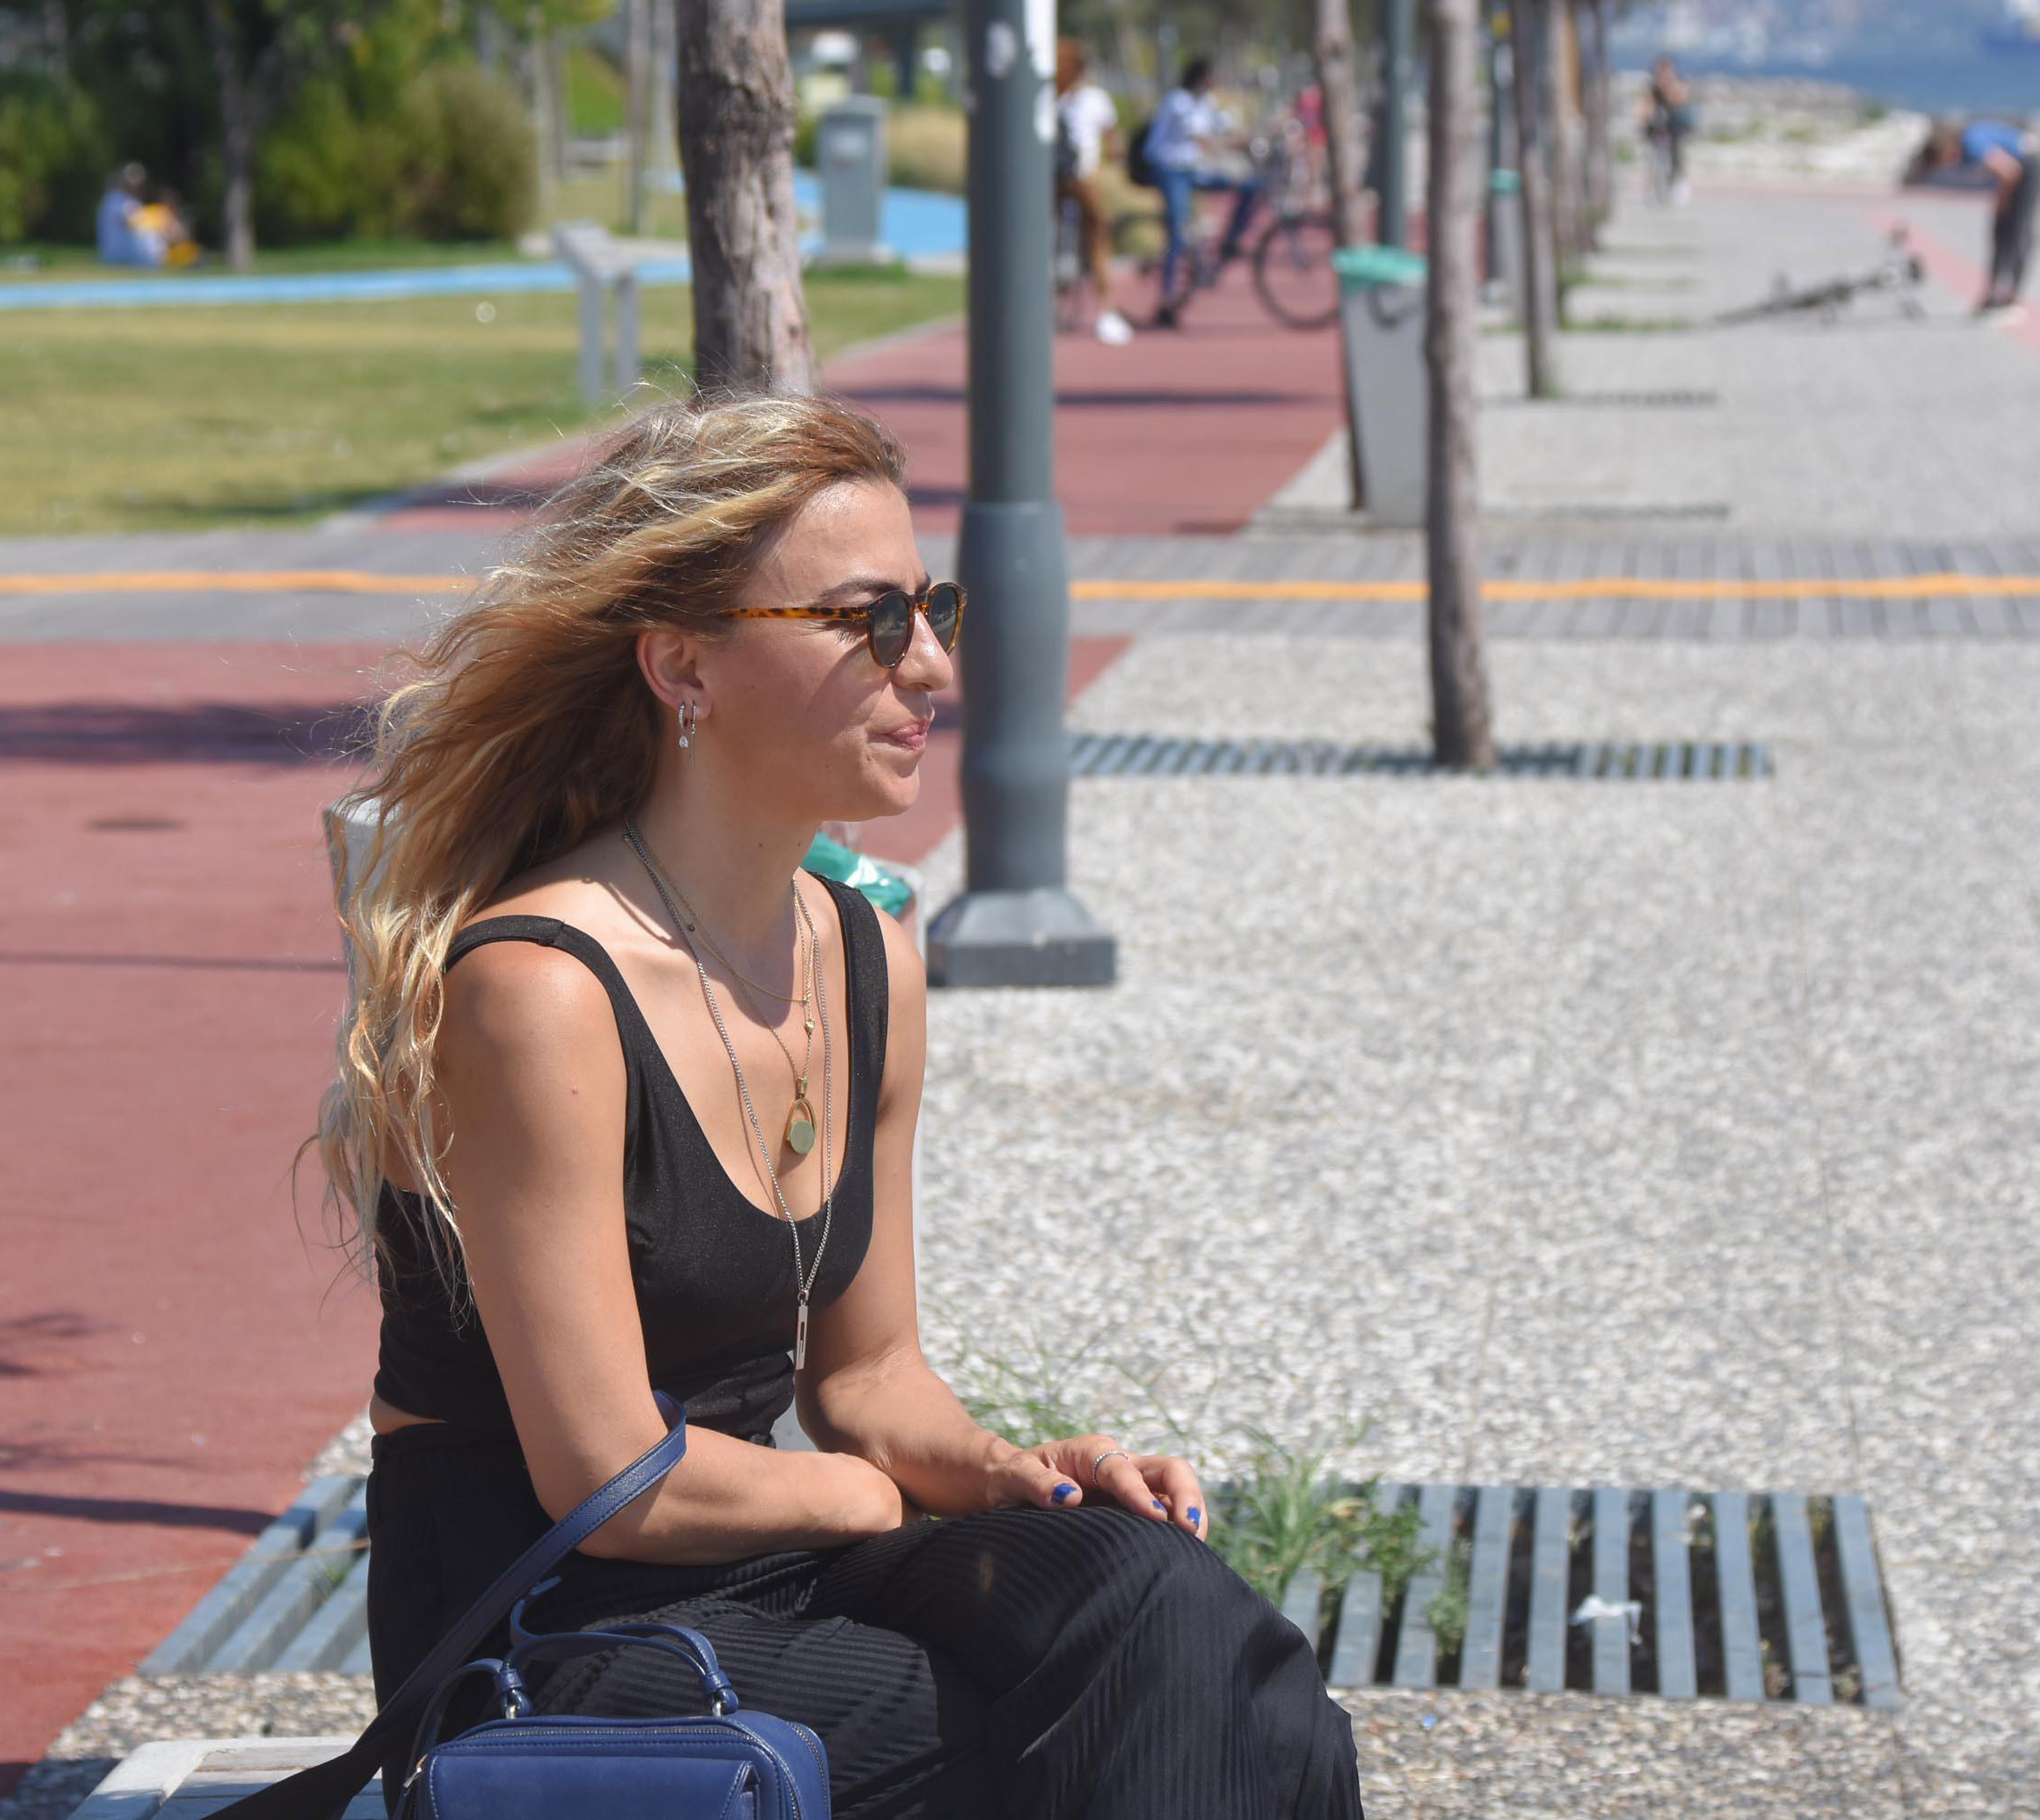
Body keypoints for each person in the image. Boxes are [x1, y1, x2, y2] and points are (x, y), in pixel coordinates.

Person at [317, 391, 1366, 1818]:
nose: (930, 663)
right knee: (1178, 1702)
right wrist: (870, 1495)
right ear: (684, 664)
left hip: (764, 1554)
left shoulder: (867, 952)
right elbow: (611, 1478)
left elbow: (868, 1379)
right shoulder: (539, 989)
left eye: (932, 609)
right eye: (870, 621)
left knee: (1177, 1606)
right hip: (547, 1628)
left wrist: (1005, 1471)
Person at [1143, 56, 1263, 330]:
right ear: (1198, 77)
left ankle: (1230, 242)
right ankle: (1167, 299)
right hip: (1170, 168)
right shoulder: (1177, 101)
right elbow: (1200, 139)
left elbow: (1226, 128)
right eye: (1209, 77)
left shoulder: (1206, 102)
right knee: (1178, 231)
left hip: (1193, 170)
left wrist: (1255, 138)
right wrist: (1232, 147)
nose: (1213, 82)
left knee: (1250, 186)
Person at [1913, 116, 2040, 320]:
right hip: (2019, 170)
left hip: (2029, 168)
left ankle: (2011, 300)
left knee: (2018, 235)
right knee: (2000, 234)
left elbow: (2009, 171)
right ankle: (1992, 295)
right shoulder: (1967, 142)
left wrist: (2002, 203)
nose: (1950, 166)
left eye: (1945, 162)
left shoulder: (1971, 143)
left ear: (1946, 150)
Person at [1054, 39, 1135, 345]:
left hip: (1069, 178)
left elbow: (1111, 139)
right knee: (1098, 235)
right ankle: (1104, 307)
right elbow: (1113, 140)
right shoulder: (1086, 98)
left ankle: (1093, 306)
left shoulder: (1062, 98)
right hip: (1077, 178)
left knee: (1091, 233)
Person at [1641, 57, 1694, 206]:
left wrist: (1669, 89)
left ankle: (1677, 183)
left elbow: (1681, 99)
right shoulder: (1653, 88)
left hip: (1674, 125)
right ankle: (1654, 185)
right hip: (1656, 125)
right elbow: (1645, 106)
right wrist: (1645, 116)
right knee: (1652, 153)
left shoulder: (1677, 84)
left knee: (1676, 151)